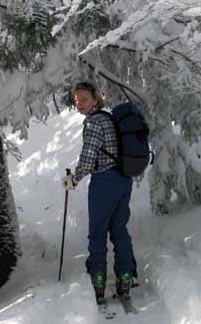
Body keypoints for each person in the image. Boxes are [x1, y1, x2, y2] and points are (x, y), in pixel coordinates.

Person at [62, 81, 135, 304]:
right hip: (123, 179)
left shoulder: (94, 122)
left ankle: (98, 283)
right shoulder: (110, 118)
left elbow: (88, 157)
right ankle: (124, 280)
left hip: (104, 182)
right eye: (76, 101)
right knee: (119, 230)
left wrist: (73, 179)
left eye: (84, 99)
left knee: (98, 232)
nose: (80, 104)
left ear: (95, 98)